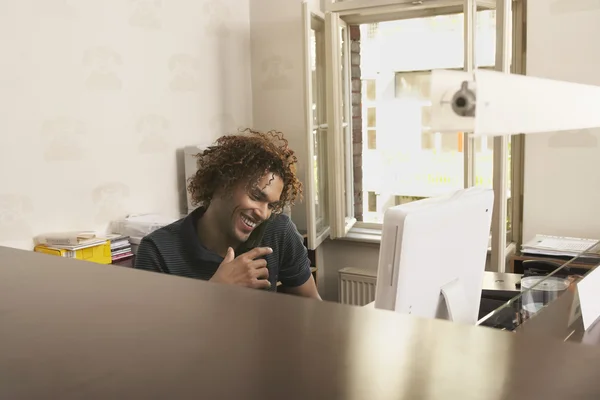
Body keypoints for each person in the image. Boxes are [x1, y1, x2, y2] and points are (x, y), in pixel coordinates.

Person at [134, 129, 321, 299]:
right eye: (255, 196)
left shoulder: (277, 231)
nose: (263, 214)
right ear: (223, 183)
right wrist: (215, 290)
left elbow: (314, 310)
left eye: (271, 205)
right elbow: (152, 333)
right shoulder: (157, 251)